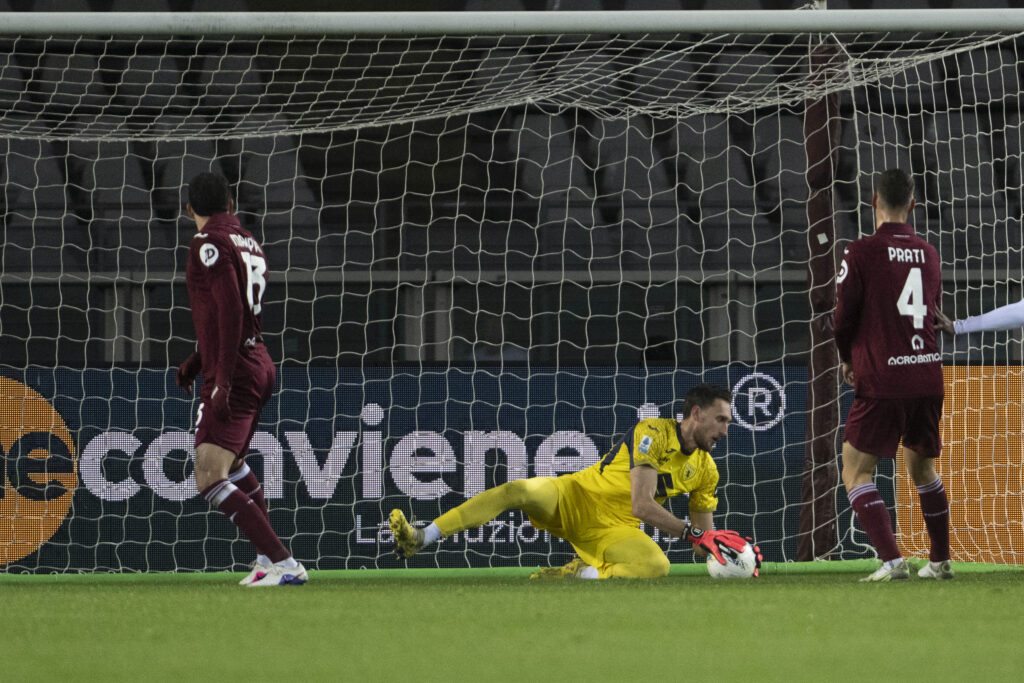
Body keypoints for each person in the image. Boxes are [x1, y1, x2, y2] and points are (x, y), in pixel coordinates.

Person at [389, 384, 761, 579]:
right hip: (575, 495)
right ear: (696, 413)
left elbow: (702, 540)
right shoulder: (653, 432)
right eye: (722, 419)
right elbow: (642, 505)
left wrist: (731, 553)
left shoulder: (707, 470)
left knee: (656, 568)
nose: (726, 430)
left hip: (614, 530)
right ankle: (423, 537)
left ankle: (581, 574)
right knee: (519, 489)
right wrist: (695, 536)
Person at [176, 171, 307, 587]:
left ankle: (285, 564)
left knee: (207, 474)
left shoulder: (207, 243)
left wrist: (222, 378)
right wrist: (199, 359)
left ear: (189, 209)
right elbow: (234, 315)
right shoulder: (247, 240)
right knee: (232, 466)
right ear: (230, 205)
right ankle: (266, 564)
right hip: (257, 360)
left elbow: (231, 309)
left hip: (236, 368)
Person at [833, 168, 952, 582]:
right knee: (924, 471)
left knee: (854, 470)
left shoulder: (860, 252)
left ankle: (892, 560)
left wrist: (847, 357)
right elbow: (931, 314)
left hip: (883, 378)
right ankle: (939, 561)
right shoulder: (929, 252)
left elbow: (843, 317)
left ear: (873, 202)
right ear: (913, 205)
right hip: (926, 376)